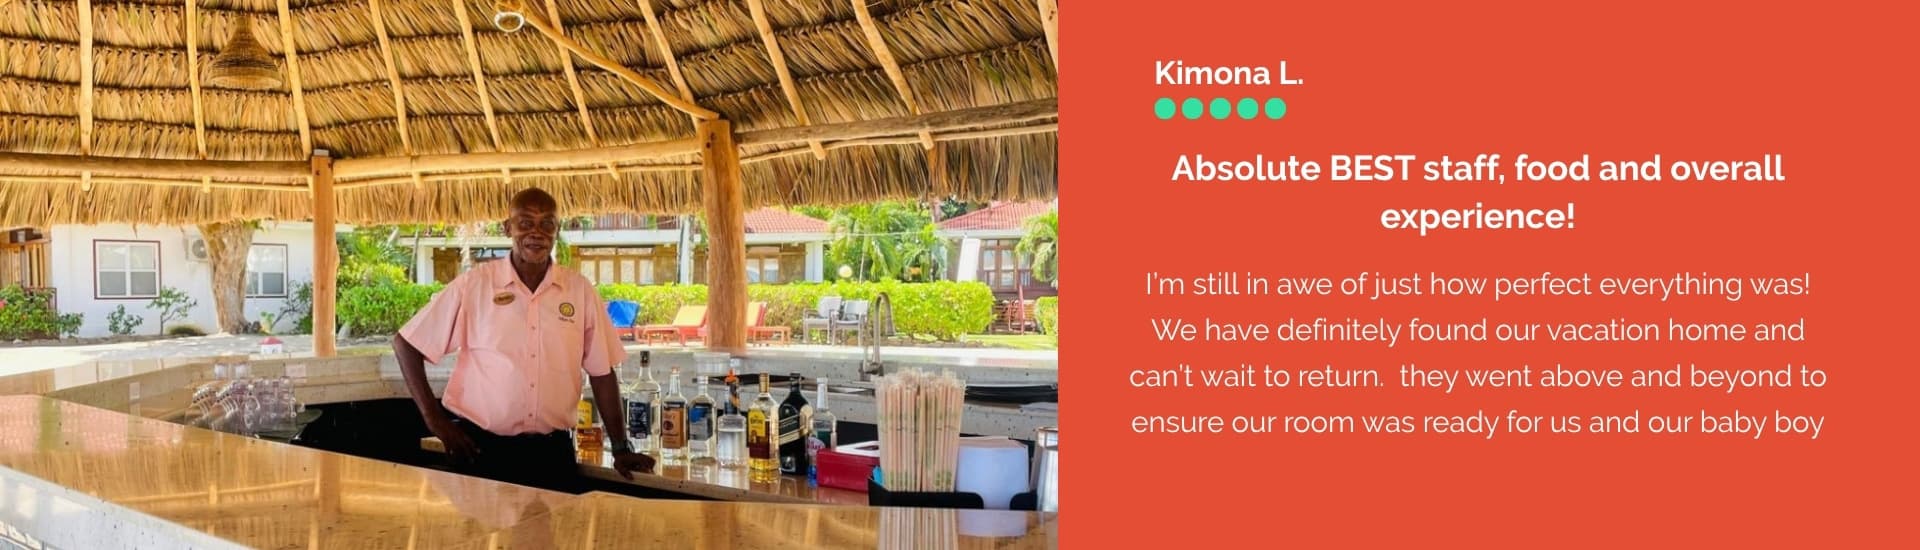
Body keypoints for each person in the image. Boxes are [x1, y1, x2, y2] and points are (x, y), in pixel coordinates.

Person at [393, 187, 651, 491]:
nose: (536, 233)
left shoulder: (578, 290)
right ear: (508, 228)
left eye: (547, 224)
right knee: (483, 538)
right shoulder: (475, 285)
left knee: (549, 538)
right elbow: (407, 343)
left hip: (551, 454)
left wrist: (620, 447)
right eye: (525, 222)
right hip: (479, 449)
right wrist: (436, 423)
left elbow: (602, 372)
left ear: (557, 230)